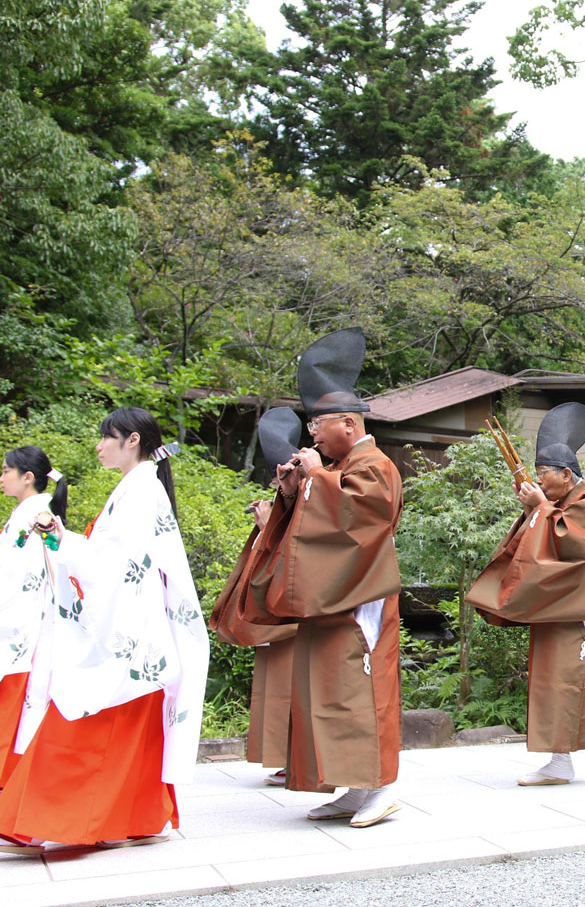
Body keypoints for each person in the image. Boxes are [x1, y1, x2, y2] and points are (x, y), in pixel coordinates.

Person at [0, 408, 207, 855]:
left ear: (131, 440)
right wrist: (62, 538)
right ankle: (137, 820)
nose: (98, 445)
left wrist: (61, 540)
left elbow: (116, 566)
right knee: (126, 742)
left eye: (104, 437)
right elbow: (108, 558)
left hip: (125, 636)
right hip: (133, 632)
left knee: (82, 730)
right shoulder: (138, 487)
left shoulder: (141, 490)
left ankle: (39, 819)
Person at [241, 328, 403, 827]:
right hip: (333, 594)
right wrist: (293, 490)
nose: (310, 434)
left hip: (360, 598)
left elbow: (363, 519)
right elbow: (313, 520)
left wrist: (315, 478)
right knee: (328, 687)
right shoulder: (340, 466)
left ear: (349, 424)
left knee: (360, 686)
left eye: (317, 425)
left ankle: (380, 787)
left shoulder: (376, 465)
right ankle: (352, 785)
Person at [464, 402, 585, 787]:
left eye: (543, 475)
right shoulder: (555, 503)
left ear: (566, 474)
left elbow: (577, 545)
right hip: (556, 602)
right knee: (552, 678)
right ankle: (558, 760)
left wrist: (540, 508)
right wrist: (535, 509)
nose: (538, 482)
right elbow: (531, 544)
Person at [208, 408, 302, 787]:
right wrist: (265, 526)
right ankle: (284, 757)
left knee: (292, 682)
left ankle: (299, 759)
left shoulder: (316, 490)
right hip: (274, 606)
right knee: (275, 682)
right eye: (279, 476)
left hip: (294, 608)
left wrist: (267, 528)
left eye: (286, 475)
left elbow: (296, 545)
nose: (282, 481)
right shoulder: (288, 492)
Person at [0, 447, 68, 786]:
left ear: (28, 477)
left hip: (23, 624)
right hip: (18, 620)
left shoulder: (38, 516)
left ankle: (9, 781)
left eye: (5, 471)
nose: (1, 478)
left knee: (15, 704)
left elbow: (35, 572)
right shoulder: (32, 512)